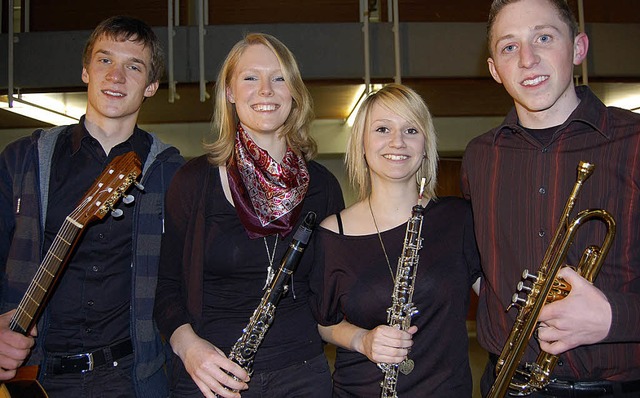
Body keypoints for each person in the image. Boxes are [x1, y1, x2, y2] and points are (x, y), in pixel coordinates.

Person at [461, 0, 640, 396]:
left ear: (578, 48)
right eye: (509, 47)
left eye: (544, 37)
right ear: (494, 69)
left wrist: (616, 318)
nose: (527, 59)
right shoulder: (479, 156)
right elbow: (476, 260)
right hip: (504, 382)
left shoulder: (635, 141)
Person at [0, 15, 184, 398]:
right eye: (105, 60)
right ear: (85, 71)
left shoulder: (171, 173)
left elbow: (187, 279)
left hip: (136, 378)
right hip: (36, 377)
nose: (116, 76)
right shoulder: (24, 160)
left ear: (151, 86)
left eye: (133, 66)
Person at [153, 33, 344, 398]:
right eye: (250, 77)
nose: (266, 90)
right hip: (212, 375)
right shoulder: (193, 181)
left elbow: (334, 288)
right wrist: (188, 347)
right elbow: (165, 286)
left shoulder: (322, 186)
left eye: (278, 78)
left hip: (302, 373)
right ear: (229, 92)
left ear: (294, 93)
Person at [311, 84, 482, 397]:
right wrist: (363, 340)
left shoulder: (459, 219)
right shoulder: (332, 233)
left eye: (411, 130)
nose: (397, 141)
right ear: (361, 143)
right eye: (382, 129)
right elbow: (324, 322)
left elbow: (498, 297)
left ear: (426, 144)